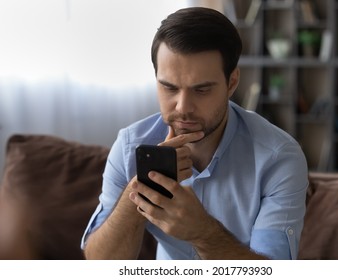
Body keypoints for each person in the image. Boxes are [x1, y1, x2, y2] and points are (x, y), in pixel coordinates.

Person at [81, 6, 308, 260]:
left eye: (201, 90)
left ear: (231, 82)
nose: (182, 107)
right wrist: (140, 189)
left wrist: (203, 233)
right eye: (169, 88)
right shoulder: (129, 147)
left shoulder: (278, 158)